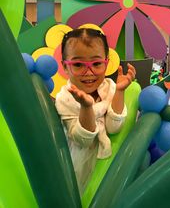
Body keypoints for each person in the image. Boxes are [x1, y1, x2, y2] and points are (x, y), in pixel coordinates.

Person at [55, 28, 136, 194]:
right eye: (78, 65)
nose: (89, 72)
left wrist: (119, 91)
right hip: (78, 163)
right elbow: (82, 140)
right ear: (65, 66)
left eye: (96, 63)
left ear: (106, 63)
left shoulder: (109, 88)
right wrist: (86, 108)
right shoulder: (65, 98)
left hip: (108, 163)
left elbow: (114, 128)